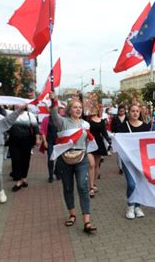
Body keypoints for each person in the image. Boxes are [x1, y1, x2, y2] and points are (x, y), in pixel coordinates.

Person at [49, 91, 97, 234]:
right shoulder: (62, 122)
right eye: (75, 107)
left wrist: (89, 155)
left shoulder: (85, 124)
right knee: (68, 188)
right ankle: (72, 214)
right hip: (65, 159)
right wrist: (54, 101)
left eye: (80, 108)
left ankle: (87, 222)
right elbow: (54, 114)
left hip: (81, 158)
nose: (78, 109)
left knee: (83, 187)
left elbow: (88, 141)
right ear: (69, 110)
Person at [116, 103, 151, 219]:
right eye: (132, 111)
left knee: (139, 184)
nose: (135, 113)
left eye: (137, 111)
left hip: (141, 160)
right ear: (128, 113)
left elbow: (150, 141)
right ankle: (130, 206)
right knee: (131, 184)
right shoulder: (123, 126)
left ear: (139, 113)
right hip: (128, 160)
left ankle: (137, 207)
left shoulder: (146, 126)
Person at [8, 107, 41, 192]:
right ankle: (18, 181)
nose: (18, 106)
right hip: (13, 140)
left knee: (25, 160)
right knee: (15, 160)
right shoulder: (10, 114)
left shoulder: (29, 115)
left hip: (26, 140)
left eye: (20, 104)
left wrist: (37, 139)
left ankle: (24, 178)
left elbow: (36, 128)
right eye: (16, 104)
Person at [87, 106, 111, 197]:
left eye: (100, 109)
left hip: (99, 144)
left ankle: (93, 184)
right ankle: (91, 188)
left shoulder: (101, 121)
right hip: (89, 144)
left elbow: (104, 132)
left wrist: (109, 140)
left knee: (97, 165)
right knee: (91, 164)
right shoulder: (87, 120)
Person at [40, 106, 65, 183]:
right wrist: (44, 141)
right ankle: (51, 175)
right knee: (51, 159)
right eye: (52, 109)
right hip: (50, 141)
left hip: (59, 141)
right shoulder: (46, 119)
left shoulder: (61, 119)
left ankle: (57, 172)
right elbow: (42, 131)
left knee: (60, 159)